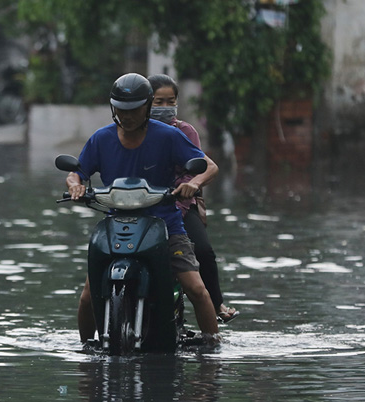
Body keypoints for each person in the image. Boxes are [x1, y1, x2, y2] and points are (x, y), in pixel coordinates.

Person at [65, 72, 221, 347]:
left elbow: (208, 166)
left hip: (166, 224)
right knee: (88, 295)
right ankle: (86, 350)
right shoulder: (101, 139)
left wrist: (194, 183)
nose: (127, 116)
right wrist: (75, 185)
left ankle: (212, 349)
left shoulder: (169, 136)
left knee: (197, 289)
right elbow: (77, 172)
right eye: (121, 110)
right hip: (115, 224)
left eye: (134, 110)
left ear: (147, 107)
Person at [148, 73, 239, 324]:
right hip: (141, 205)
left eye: (170, 101)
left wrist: (191, 185)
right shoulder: (135, 131)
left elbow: (203, 167)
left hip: (178, 205)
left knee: (203, 251)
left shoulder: (185, 131)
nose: (165, 108)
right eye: (158, 102)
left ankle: (216, 303)